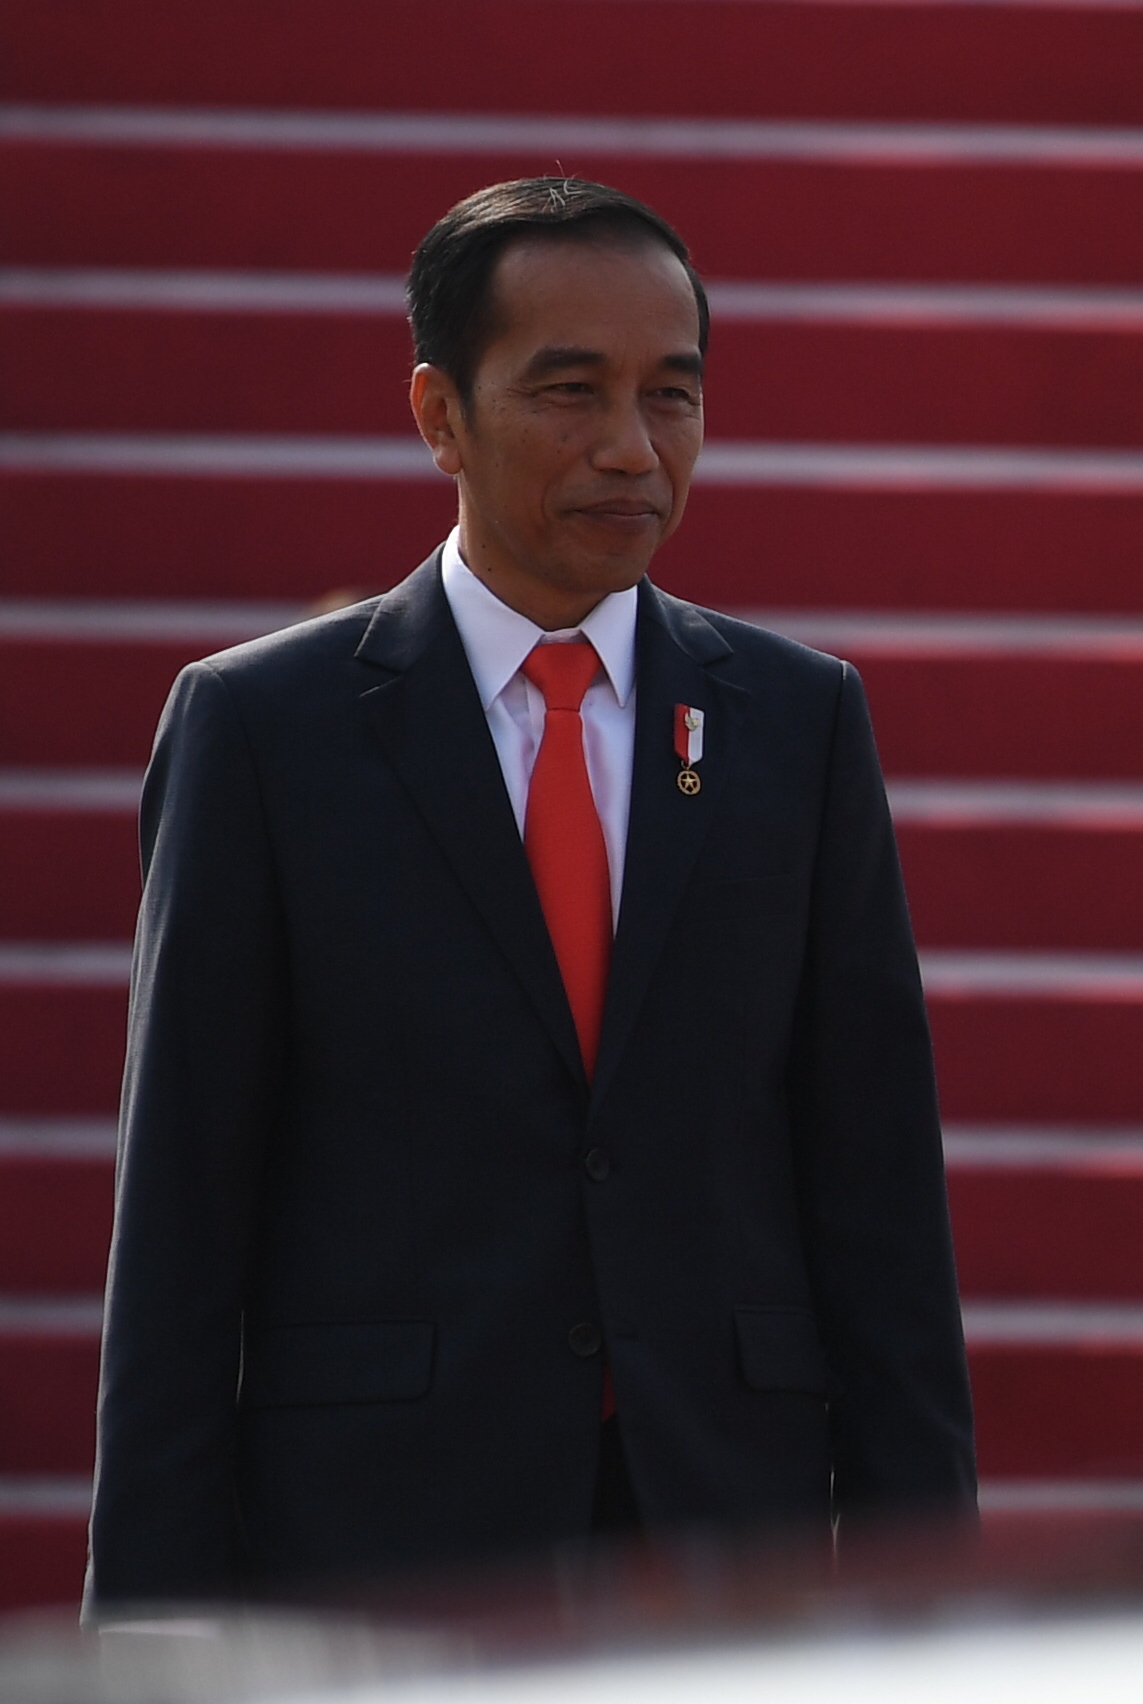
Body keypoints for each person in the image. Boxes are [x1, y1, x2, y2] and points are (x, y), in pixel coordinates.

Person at [88, 178, 974, 1604]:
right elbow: (183, 1230)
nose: (633, 448)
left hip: (716, 1533)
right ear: (439, 414)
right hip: (384, 1542)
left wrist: (933, 1601)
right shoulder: (266, 733)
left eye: (671, 395)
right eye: (572, 392)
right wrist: (148, 1642)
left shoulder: (798, 727)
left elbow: (877, 1206)